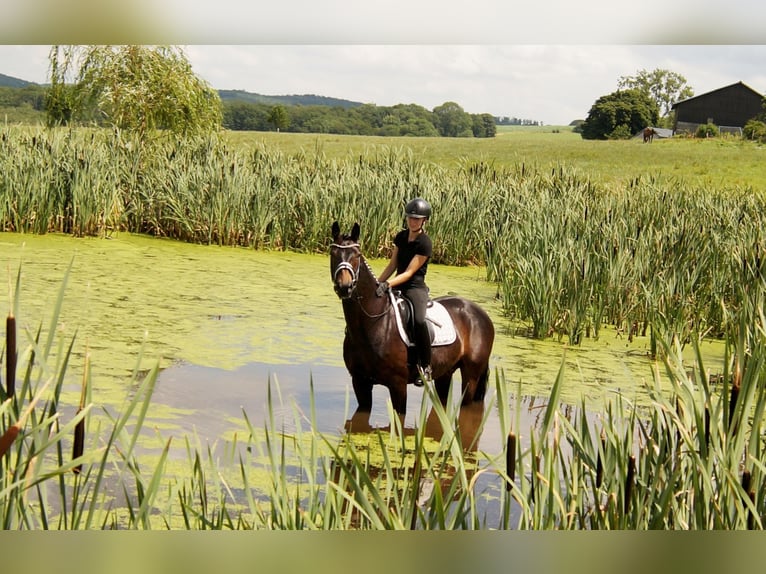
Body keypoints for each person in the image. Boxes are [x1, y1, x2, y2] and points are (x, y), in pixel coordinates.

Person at [375, 197, 433, 386]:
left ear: (424, 221)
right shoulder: (401, 237)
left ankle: (426, 365)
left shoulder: (425, 243)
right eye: (410, 217)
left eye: (417, 219)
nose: (413, 221)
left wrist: (388, 285)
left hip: (415, 287)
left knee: (419, 320)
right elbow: (393, 264)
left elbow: (409, 272)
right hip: (396, 284)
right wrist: (379, 283)